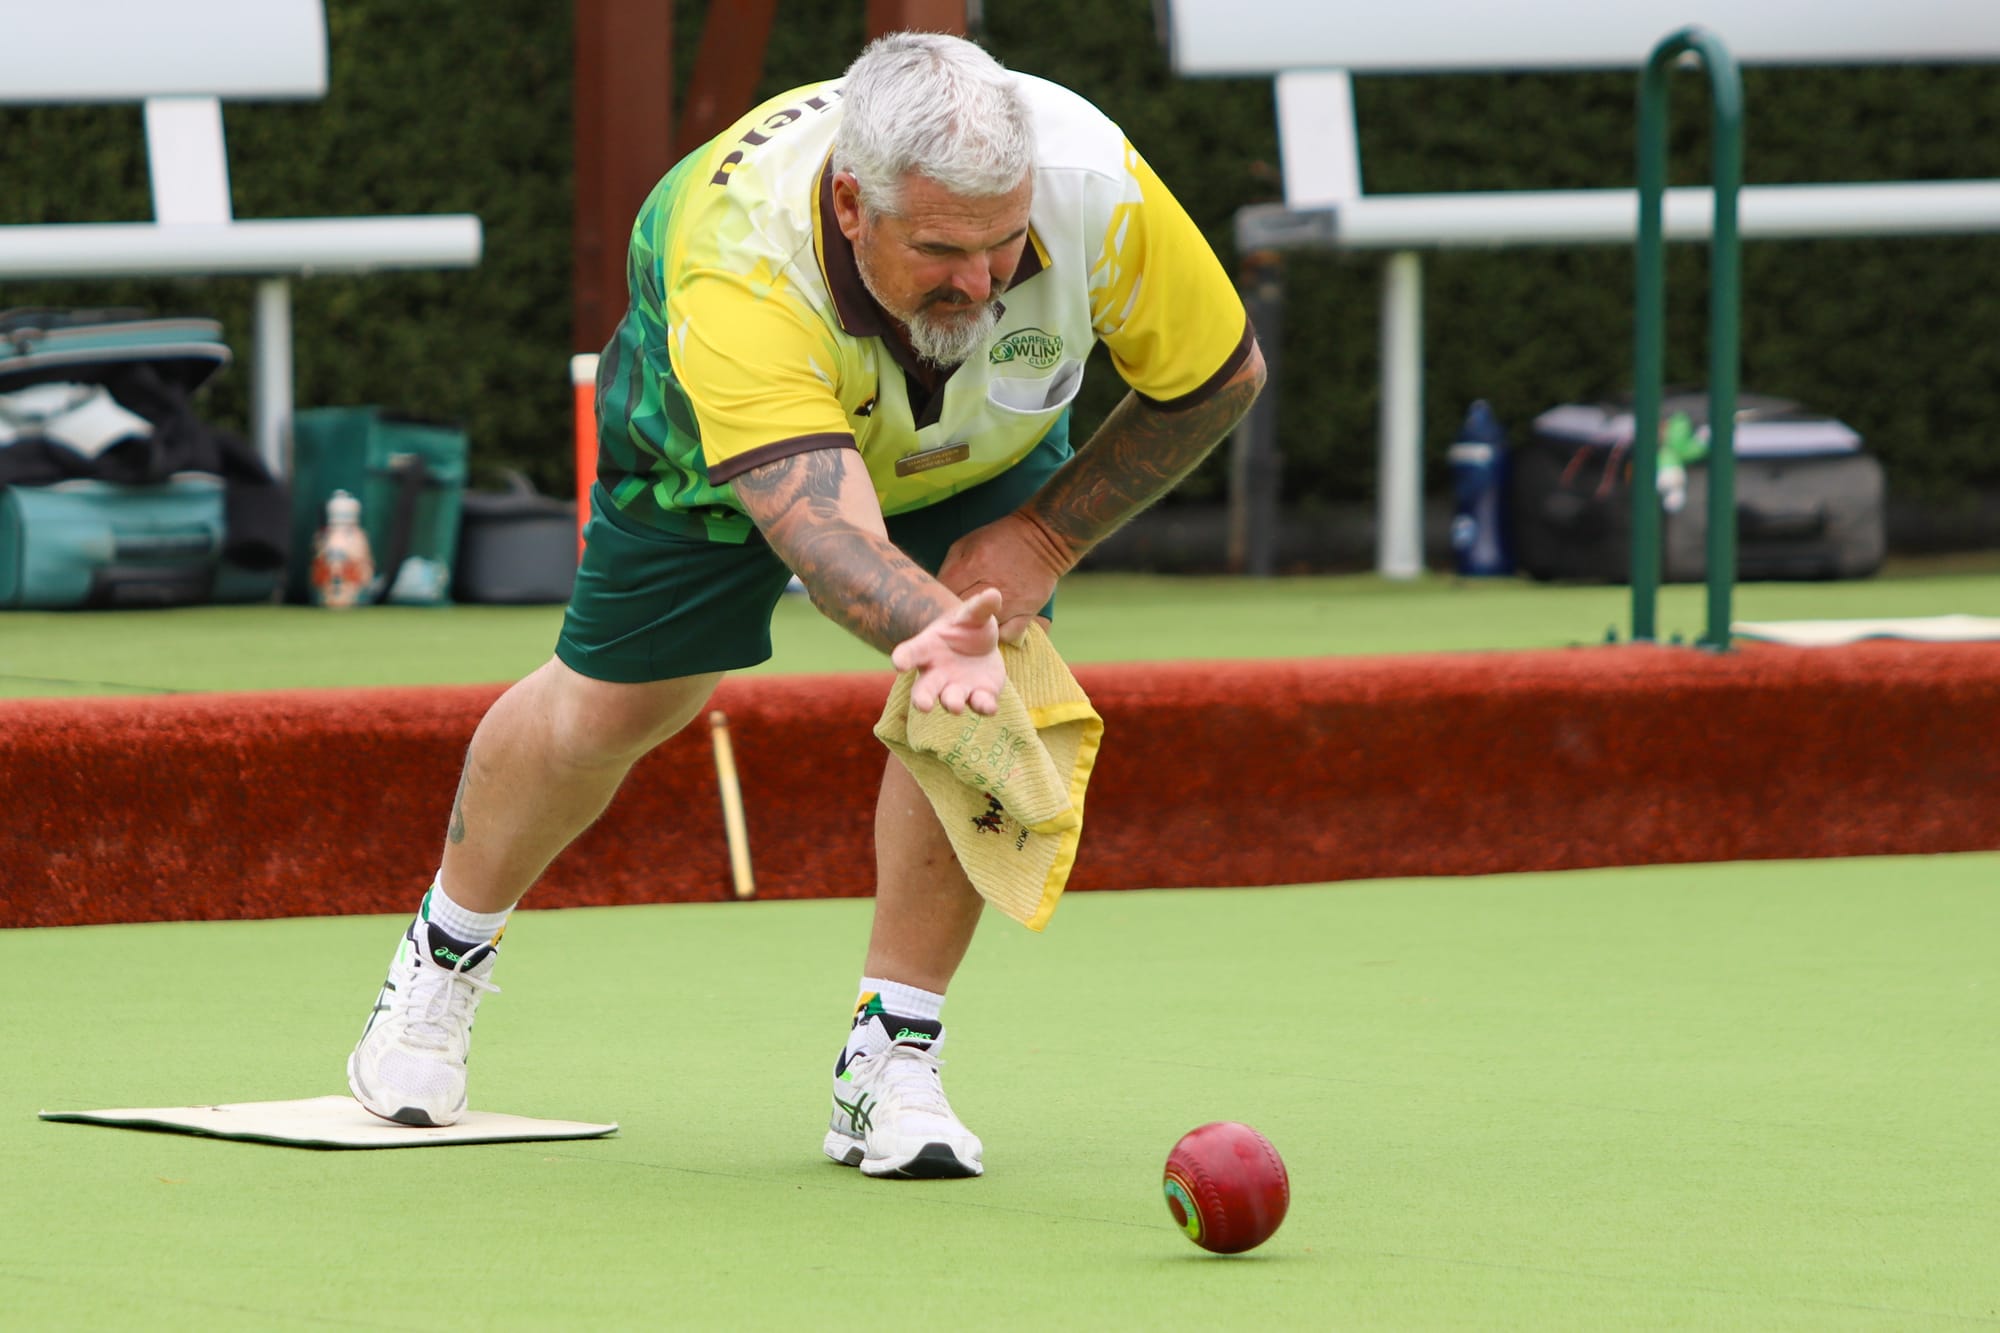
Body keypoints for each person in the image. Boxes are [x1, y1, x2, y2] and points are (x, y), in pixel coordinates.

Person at [347, 31, 1266, 1179]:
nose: (980, 283)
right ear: (849, 204)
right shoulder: (739, 252)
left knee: (971, 703)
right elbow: (826, 533)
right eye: (939, 247)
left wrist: (1038, 537)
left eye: (1004, 246)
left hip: (987, 442)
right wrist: (924, 627)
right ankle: (440, 962)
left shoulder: (1099, 188)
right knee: (611, 711)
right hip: (728, 439)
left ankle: (890, 1064)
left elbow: (1218, 377)